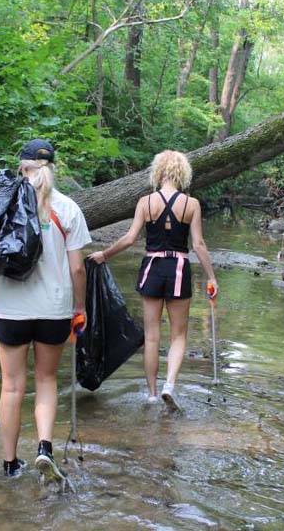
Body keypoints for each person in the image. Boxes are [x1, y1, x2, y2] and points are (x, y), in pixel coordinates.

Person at [89, 150, 217, 411]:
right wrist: (212, 277)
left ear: (157, 171)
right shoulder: (191, 204)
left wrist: (103, 254)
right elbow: (199, 245)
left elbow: (129, 239)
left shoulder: (145, 202)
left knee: (152, 336)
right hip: (179, 267)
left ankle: (151, 393)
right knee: (178, 335)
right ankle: (170, 385)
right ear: (183, 173)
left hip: (152, 267)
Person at [0, 139, 91, 479]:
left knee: (11, 387)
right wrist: (80, 307)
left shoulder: (5, 206)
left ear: (22, 167)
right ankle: (44, 448)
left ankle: (9, 464)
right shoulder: (68, 209)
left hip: (10, 310)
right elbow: (78, 269)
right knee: (46, 379)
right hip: (54, 311)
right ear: (52, 167)